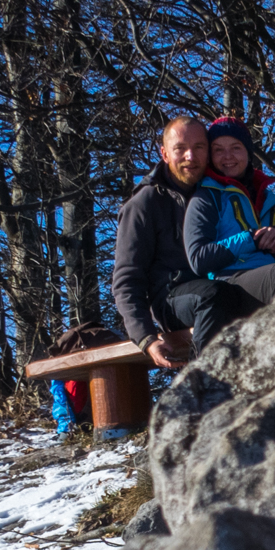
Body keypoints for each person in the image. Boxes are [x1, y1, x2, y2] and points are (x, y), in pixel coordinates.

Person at [177, 116, 275, 349]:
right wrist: (252, 239)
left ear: (249, 153)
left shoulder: (272, 200)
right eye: (218, 150)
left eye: (236, 148)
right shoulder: (206, 198)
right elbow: (199, 259)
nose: (227, 156)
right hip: (231, 283)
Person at [111, 116, 209, 370]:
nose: (191, 156)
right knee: (215, 297)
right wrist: (146, 337)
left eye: (199, 147)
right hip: (174, 301)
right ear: (164, 154)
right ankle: (208, 392)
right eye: (180, 149)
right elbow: (127, 280)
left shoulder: (221, 192)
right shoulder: (144, 204)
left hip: (220, 291)